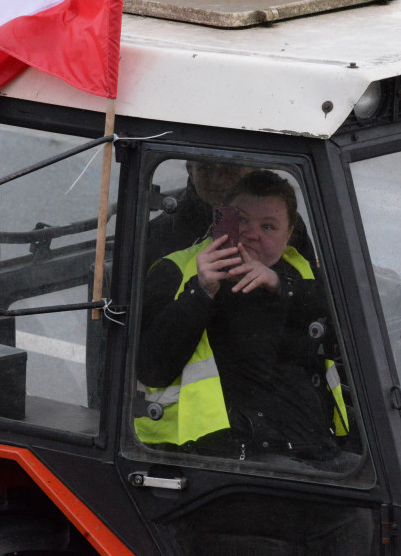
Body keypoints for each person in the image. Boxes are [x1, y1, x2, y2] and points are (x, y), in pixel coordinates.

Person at [136, 170, 348, 461]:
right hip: (216, 452)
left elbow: (348, 336)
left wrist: (278, 284)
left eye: (269, 227)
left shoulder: (299, 271)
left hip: (308, 442)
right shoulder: (176, 270)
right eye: (242, 220)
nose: (251, 234)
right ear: (220, 220)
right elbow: (150, 370)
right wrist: (201, 292)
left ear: (289, 236)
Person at [145, 159, 316, 269]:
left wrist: (279, 285)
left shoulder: (281, 222)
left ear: (254, 168)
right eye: (206, 168)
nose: (216, 179)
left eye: (229, 168)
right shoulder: (161, 233)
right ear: (191, 170)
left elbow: (311, 288)